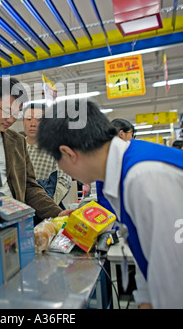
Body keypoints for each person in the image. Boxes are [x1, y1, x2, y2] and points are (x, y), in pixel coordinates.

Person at [37, 99, 183, 309]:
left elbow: (175, 277)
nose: (62, 170)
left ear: (69, 153)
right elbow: (151, 256)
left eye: (58, 161)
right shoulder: (120, 172)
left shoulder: (143, 176)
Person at [0, 76, 72, 221]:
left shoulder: (17, 142)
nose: (11, 120)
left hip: (12, 220)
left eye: (16, 113)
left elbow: (29, 186)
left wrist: (56, 212)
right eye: (6, 111)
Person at [22, 103, 71, 207]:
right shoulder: (16, 147)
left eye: (39, 120)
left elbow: (63, 182)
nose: (33, 124)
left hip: (44, 211)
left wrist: (45, 206)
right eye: (29, 119)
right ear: (23, 121)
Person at [97, 118, 135, 212]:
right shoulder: (115, 155)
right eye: (132, 134)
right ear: (121, 134)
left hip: (108, 208)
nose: (133, 138)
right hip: (114, 208)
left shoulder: (105, 152)